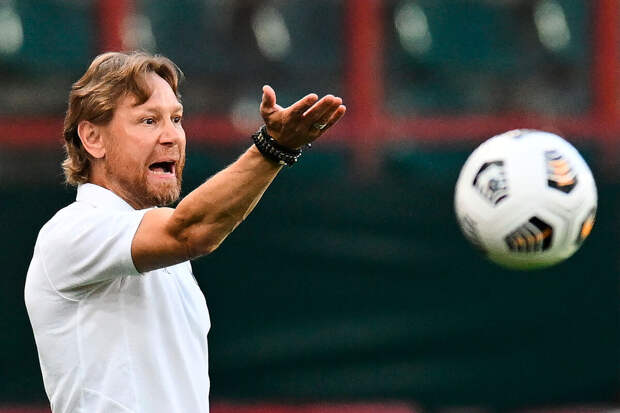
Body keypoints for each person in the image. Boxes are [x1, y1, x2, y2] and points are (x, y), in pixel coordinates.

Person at [24, 51, 346, 413]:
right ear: (93, 138)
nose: (171, 137)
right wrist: (274, 148)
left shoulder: (170, 258)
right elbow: (191, 230)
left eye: (176, 119)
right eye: (148, 120)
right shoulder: (71, 231)